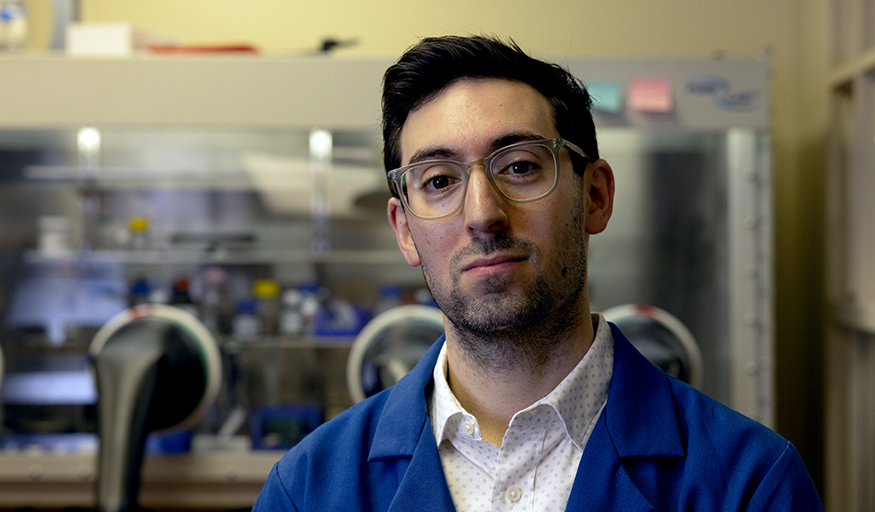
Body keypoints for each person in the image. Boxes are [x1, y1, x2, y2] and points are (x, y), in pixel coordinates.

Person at [253, 35, 822, 511]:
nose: (482, 214)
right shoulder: (305, 492)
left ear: (595, 196)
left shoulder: (749, 484)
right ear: (404, 229)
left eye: (521, 167)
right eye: (438, 181)